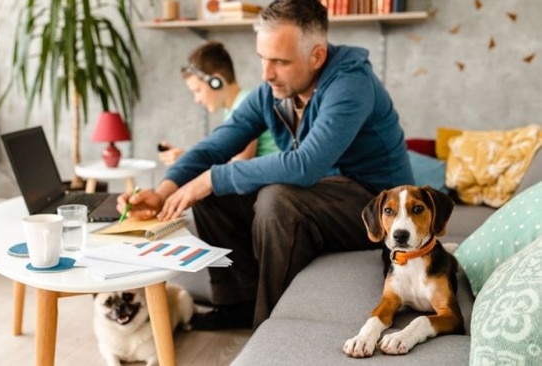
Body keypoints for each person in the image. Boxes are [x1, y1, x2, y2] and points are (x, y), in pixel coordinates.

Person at [119, 0, 414, 330]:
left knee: (277, 198)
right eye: (263, 59)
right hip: (323, 196)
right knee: (213, 194)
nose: (266, 73)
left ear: (317, 56)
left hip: (377, 208)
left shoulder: (351, 84)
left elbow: (306, 165)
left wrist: (213, 177)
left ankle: (270, 327)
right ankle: (238, 305)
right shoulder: (273, 92)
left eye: (280, 62)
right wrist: (163, 192)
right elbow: (215, 146)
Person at [158, 41, 279, 166]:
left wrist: (189, 162)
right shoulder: (234, 108)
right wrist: (188, 158)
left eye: (197, 91)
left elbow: (237, 166)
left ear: (216, 82)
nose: (197, 99)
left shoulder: (244, 107)